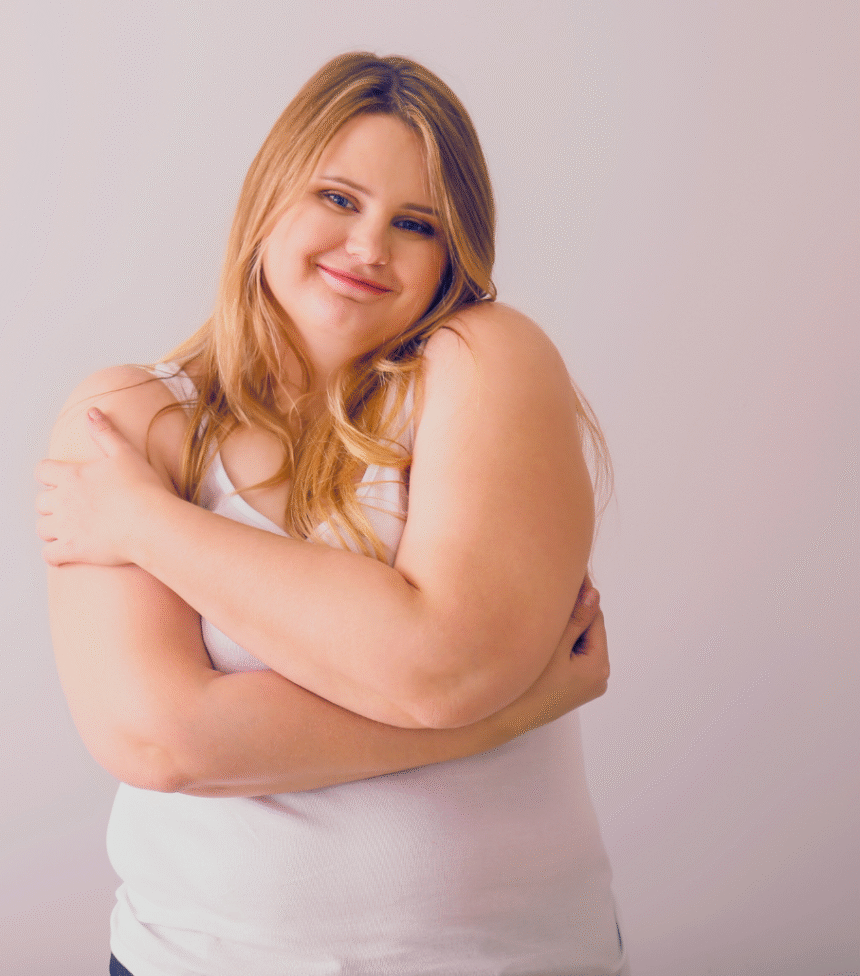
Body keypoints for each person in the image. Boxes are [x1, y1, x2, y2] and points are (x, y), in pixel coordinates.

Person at [35, 52, 627, 976]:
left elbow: (445, 666)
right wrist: (509, 709)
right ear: (269, 195)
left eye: (416, 224)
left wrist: (150, 526)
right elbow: (160, 741)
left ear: (454, 253)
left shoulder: (486, 361)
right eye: (339, 199)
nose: (369, 246)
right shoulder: (130, 421)